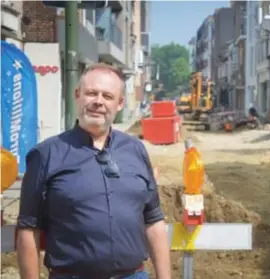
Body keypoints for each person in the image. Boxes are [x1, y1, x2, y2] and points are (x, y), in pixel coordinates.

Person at [16, 63, 171, 279]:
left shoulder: (136, 150)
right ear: (77, 95)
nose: (98, 101)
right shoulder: (45, 155)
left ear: (120, 103)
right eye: (91, 93)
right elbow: (27, 229)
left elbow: (153, 221)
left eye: (107, 96)